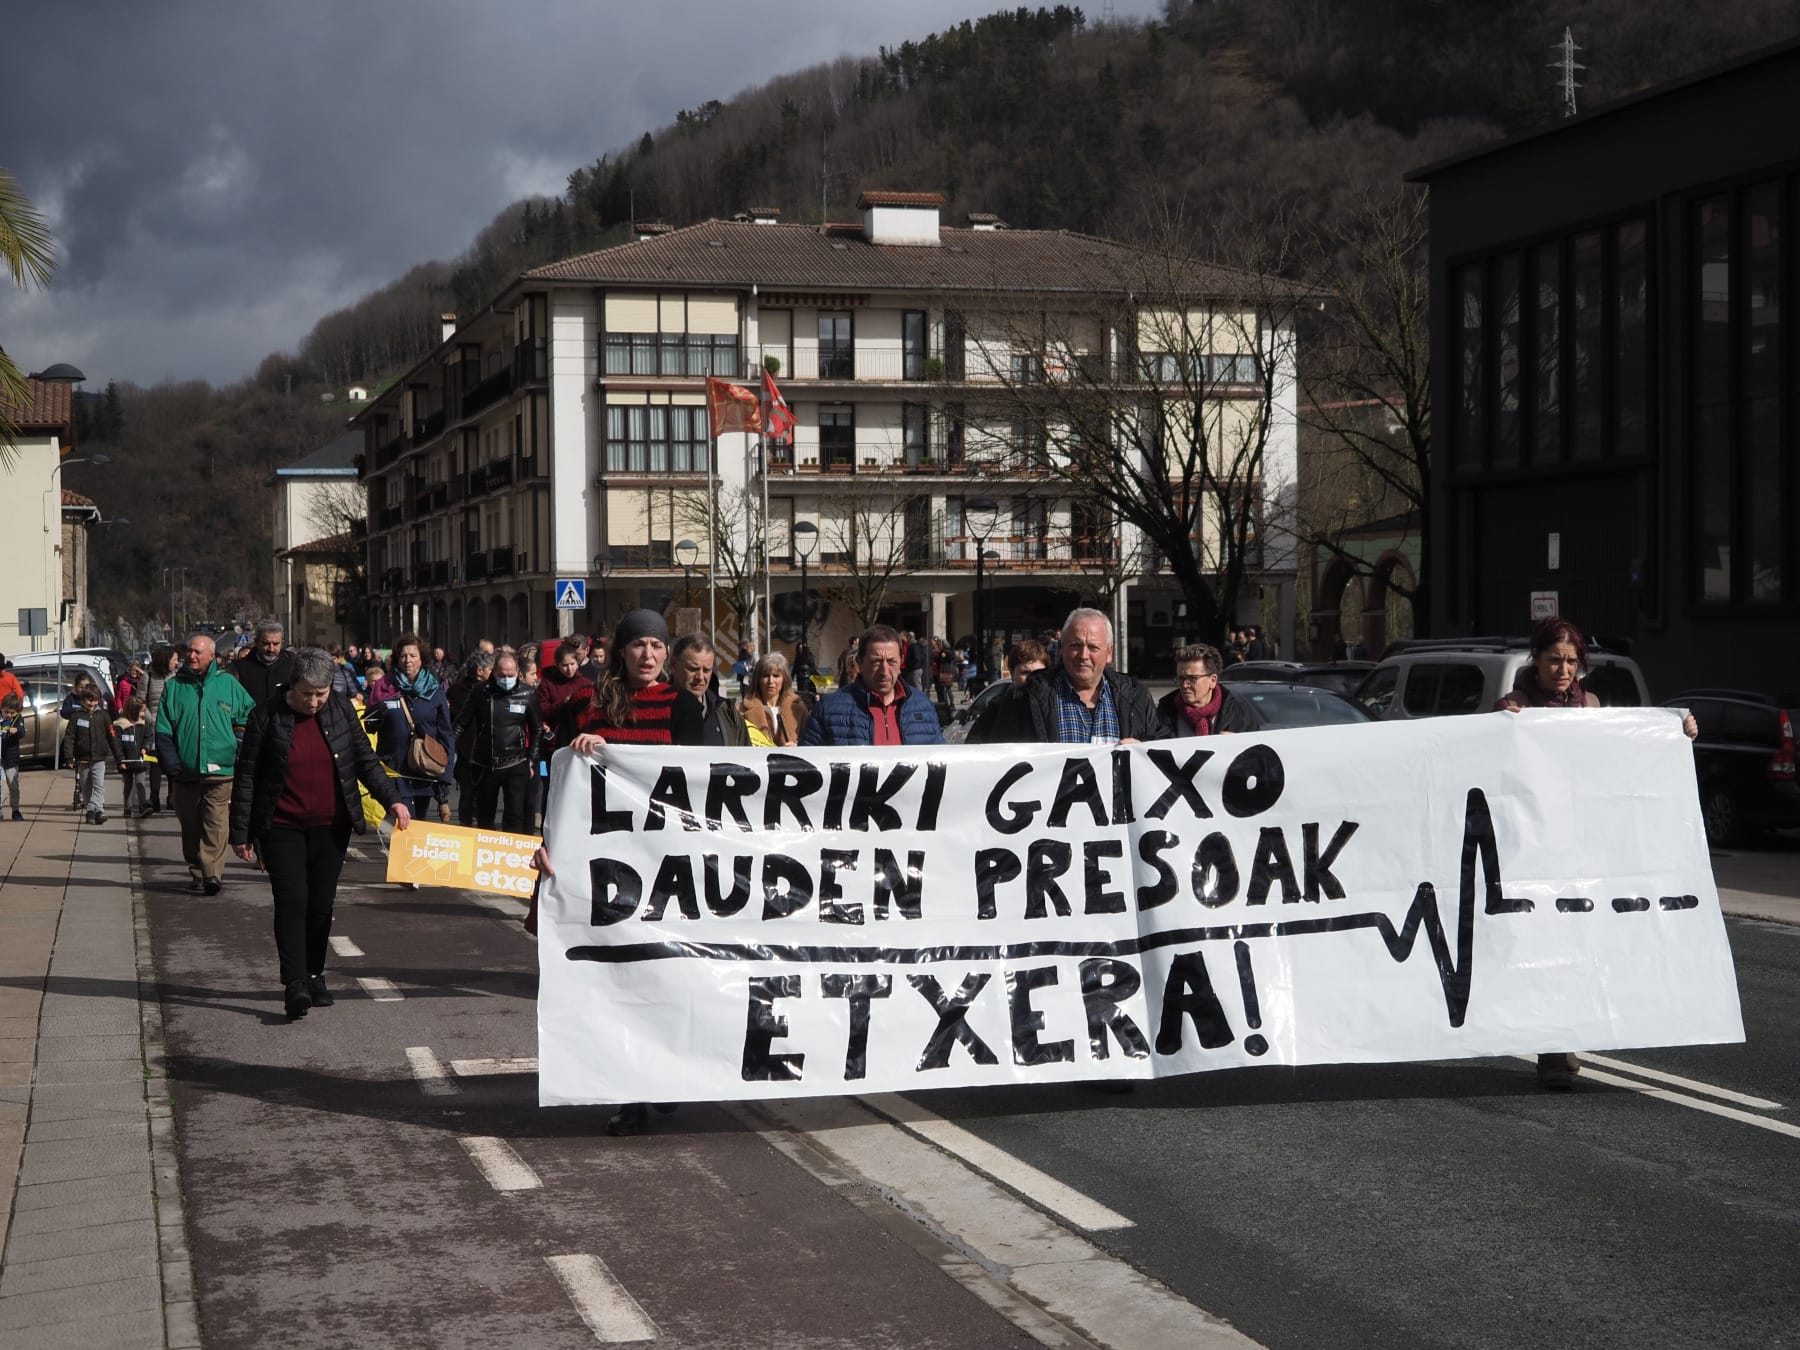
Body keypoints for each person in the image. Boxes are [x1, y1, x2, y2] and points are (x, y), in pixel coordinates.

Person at [1495, 616, 1698, 1090]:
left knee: (1576, 945)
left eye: (1570, 662)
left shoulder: (1591, 705)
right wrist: (1505, 728)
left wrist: (1676, 732)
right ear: (1537, 661)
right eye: (1554, 661)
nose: (1563, 670)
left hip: (1580, 848)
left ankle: (1559, 1046)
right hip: (1532, 849)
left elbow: (1618, 756)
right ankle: (1549, 1050)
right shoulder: (1514, 707)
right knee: (1541, 943)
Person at [531, 608, 705, 1136]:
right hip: (604, 870)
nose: (648, 655)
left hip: (668, 866)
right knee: (616, 980)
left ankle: (666, 1078)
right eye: (638, 646)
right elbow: (557, 778)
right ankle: (628, 1093)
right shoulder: (585, 702)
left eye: (656, 646)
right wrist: (545, 840)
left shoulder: (684, 705)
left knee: (670, 976)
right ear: (620, 651)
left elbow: (700, 784)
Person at [229, 647, 411, 1020]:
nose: (313, 702)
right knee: (292, 900)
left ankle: (315, 974)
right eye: (306, 694)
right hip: (282, 825)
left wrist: (392, 800)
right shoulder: (266, 716)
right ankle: (294, 982)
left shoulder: (341, 710)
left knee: (321, 905)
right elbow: (247, 777)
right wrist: (241, 832)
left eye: (321, 694)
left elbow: (364, 760)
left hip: (331, 825)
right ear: (291, 686)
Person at [968, 608, 1160, 746]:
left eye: (1093, 647)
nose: (1083, 655)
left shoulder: (1136, 698)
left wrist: (1144, 749)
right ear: (1062, 649)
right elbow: (982, 751)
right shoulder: (1023, 699)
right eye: (1075, 645)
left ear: (1109, 653)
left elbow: (1164, 749)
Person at [156, 633, 255, 892]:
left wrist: (237, 742)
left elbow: (249, 715)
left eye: (198, 652)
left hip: (221, 771)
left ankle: (212, 874)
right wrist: (172, 764)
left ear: (212, 656)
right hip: (185, 771)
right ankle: (198, 870)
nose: (192, 656)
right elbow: (163, 729)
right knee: (190, 825)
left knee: (216, 823)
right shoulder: (174, 686)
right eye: (189, 651)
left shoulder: (228, 685)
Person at [366, 633, 456, 828]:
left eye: (413, 655)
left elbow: (446, 735)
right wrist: (378, 712)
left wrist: (444, 784)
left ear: (421, 659)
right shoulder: (384, 686)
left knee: (418, 825)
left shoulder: (434, 689)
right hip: (395, 770)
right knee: (404, 824)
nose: (408, 660)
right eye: (403, 656)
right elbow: (369, 725)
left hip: (424, 770)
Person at [800, 624, 944, 747]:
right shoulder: (828, 709)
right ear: (860, 662)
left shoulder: (923, 705)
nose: (884, 671)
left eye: (891, 662)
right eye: (876, 662)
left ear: (901, 662)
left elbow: (940, 761)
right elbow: (808, 768)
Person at [452, 650, 541, 830]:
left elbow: (537, 728)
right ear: (494, 672)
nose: (506, 679)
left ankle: (512, 854)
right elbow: (462, 722)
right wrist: (449, 748)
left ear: (518, 672)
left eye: (511, 675)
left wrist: (531, 760)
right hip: (486, 763)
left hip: (516, 761)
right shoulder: (480, 691)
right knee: (485, 815)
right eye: (502, 675)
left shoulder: (527, 694)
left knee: (515, 814)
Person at [1156, 643, 1256, 737]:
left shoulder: (1238, 712)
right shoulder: (1163, 712)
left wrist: (1237, 744)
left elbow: (1259, 751)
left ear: (1212, 681)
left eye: (1193, 678)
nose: (1185, 685)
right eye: (1181, 678)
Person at [670, 632, 749, 747]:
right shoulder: (656, 710)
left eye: (707, 670)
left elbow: (746, 759)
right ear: (673, 665)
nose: (700, 677)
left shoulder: (729, 715)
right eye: (693, 669)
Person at [64, 682, 122, 825]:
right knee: (86, 786)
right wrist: (68, 757)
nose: (92, 703)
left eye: (95, 700)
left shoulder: (103, 716)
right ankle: (92, 811)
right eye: (89, 700)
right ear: (83, 700)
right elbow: (69, 737)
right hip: (83, 759)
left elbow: (112, 736)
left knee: (99, 784)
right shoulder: (76, 716)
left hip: (99, 758)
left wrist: (119, 757)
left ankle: (98, 810)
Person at [141, 646, 180, 815]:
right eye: (174, 660)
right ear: (166, 660)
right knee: (155, 763)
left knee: (172, 762)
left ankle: (172, 797)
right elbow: (140, 700)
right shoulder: (148, 676)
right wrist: (151, 720)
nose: (177, 663)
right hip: (155, 727)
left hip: (174, 727)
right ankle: (154, 798)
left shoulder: (178, 677)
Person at [740, 652, 808, 746]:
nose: (771, 681)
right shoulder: (742, 710)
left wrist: (797, 746)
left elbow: (810, 741)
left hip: (791, 759)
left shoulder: (798, 708)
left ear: (784, 679)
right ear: (758, 679)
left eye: (776, 676)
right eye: (766, 676)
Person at [232, 618, 297, 707]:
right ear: (256, 642)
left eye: (275, 644)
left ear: (282, 643)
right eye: (266, 644)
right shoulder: (239, 669)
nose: (271, 649)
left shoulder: (293, 665)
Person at [114, 697, 151, 817]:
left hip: (140, 760)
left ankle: (142, 806)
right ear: (133, 711)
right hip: (127, 761)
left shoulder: (144, 724)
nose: (143, 714)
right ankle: (127, 808)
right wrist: (120, 760)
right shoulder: (120, 725)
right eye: (141, 711)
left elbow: (149, 737)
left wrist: (145, 747)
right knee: (128, 785)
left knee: (140, 783)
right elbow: (117, 744)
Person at [0, 692, 23, 821]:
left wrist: (16, 730)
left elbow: (22, 731)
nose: (8, 715)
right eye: (6, 712)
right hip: (0, 757)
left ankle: (15, 809)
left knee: (13, 785)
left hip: (11, 758)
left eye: (11, 713)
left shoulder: (18, 719)